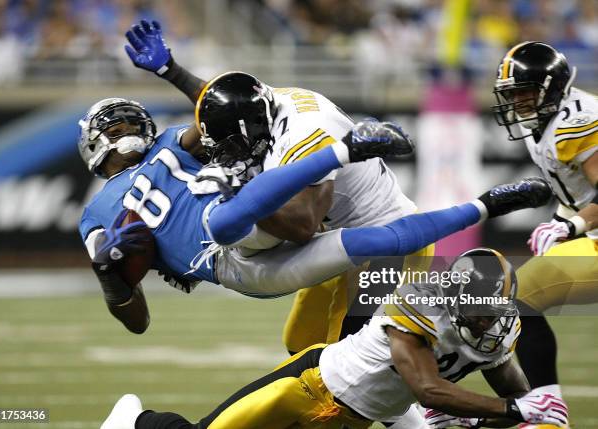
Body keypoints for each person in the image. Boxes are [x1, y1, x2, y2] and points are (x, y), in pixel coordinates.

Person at [78, 97, 551, 335]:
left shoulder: (171, 140)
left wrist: (175, 73)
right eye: (118, 130)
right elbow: (134, 317)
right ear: (96, 147)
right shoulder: (95, 215)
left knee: (240, 214)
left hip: (247, 219)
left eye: (134, 125)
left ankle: (490, 203)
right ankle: (346, 150)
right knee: (368, 243)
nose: (132, 135)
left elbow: (217, 110)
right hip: (233, 262)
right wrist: (111, 278)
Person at [123, 19, 433, 353]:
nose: (226, 154)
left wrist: (240, 197)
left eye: (232, 144)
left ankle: (435, 404)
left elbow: (302, 225)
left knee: (354, 366)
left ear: (254, 127)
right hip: (341, 242)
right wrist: (170, 70)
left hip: (387, 246)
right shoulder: (262, 105)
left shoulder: (305, 134)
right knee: (301, 344)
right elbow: (219, 100)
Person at [99, 248, 569, 429]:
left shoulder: (499, 331)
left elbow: (520, 402)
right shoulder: (418, 302)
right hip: (309, 387)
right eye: (479, 312)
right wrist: (508, 411)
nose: (487, 323)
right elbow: (429, 390)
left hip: (356, 418)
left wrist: (506, 417)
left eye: (494, 312)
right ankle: (134, 421)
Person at [491, 41, 598, 428]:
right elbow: (579, 192)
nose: (517, 100)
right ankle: (544, 408)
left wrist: (572, 225)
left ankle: (548, 412)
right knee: (517, 298)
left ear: (550, 89)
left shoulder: (576, 125)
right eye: (512, 92)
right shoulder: (546, 122)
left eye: (524, 91)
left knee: (516, 295)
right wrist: (562, 216)